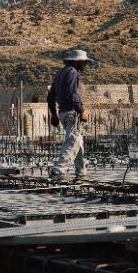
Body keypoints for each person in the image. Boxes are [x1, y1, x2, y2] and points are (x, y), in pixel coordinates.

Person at [47, 49, 91, 181]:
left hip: (63, 113)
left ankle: (81, 172)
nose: (85, 65)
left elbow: (51, 96)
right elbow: (72, 94)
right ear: (77, 62)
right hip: (72, 113)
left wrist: (54, 114)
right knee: (72, 141)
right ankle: (59, 169)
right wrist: (81, 110)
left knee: (78, 143)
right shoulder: (72, 72)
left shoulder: (60, 72)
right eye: (84, 62)